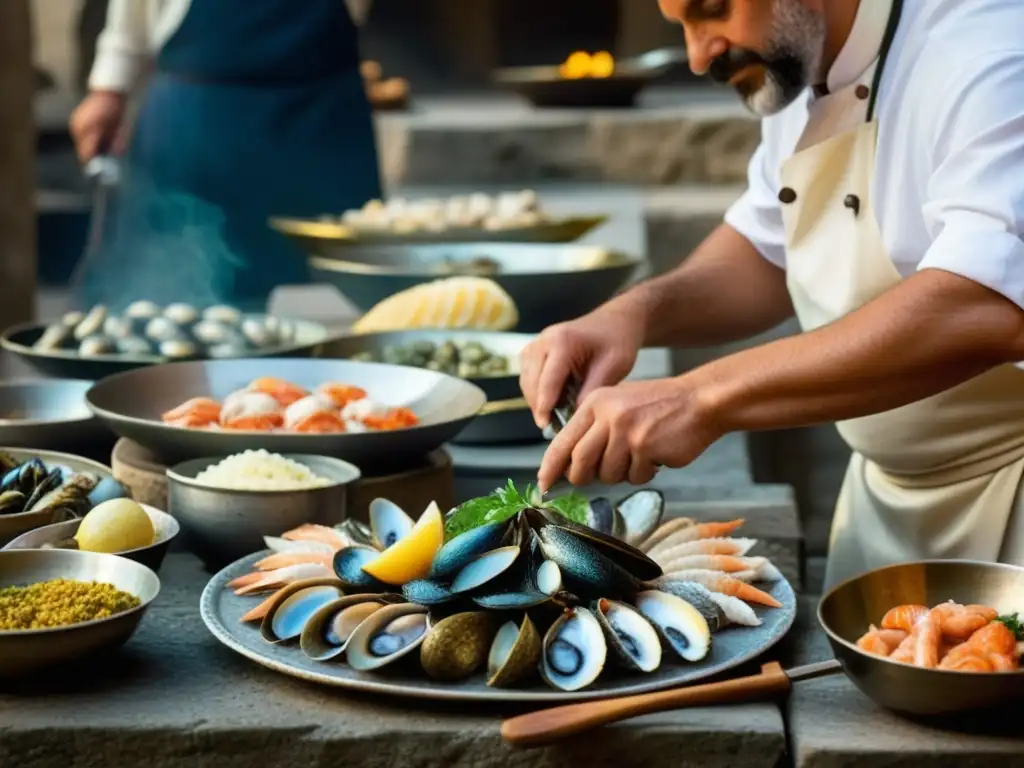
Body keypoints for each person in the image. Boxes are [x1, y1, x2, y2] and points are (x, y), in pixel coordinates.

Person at [519, 0, 1024, 589]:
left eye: (711, 10)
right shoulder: (802, 59)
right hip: (883, 515)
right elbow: (766, 248)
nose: (697, 53)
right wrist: (626, 317)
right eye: (678, 23)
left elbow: (988, 306)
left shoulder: (990, 56)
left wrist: (700, 399)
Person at [69, 0, 381, 311]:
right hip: (199, 120)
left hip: (322, 121)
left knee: (350, 305)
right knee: (166, 302)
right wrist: (109, 88)